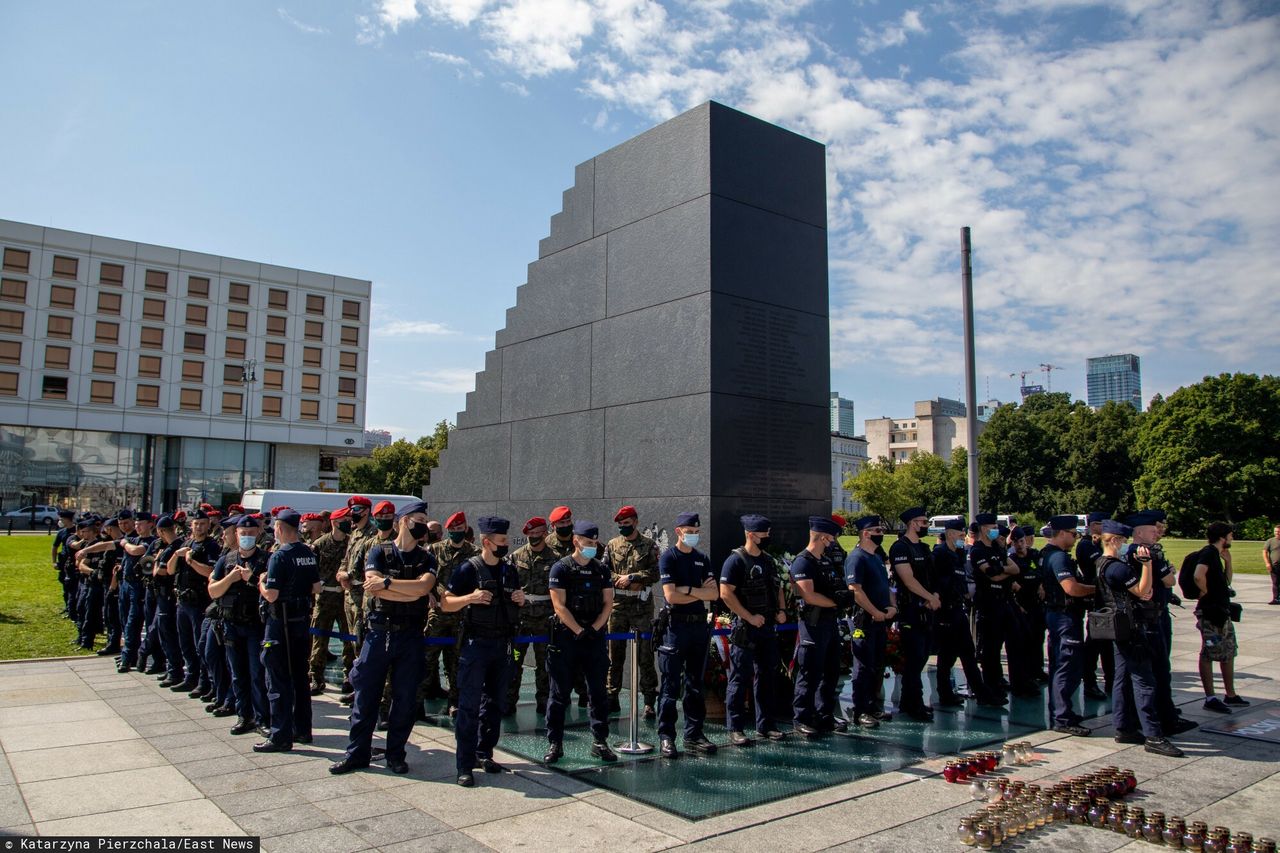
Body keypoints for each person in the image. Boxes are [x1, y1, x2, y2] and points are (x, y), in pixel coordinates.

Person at [330, 501, 437, 775]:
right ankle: (356, 755)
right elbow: (373, 588)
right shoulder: (379, 551)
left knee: (404, 699)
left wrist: (389, 584)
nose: (423, 523)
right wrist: (408, 591)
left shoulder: (426, 558)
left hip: (411, 635)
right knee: (366, 697)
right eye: (419, 518)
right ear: (403, 521)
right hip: (378, 634)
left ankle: (395, 755)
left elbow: (424, 587)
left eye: (425, 519)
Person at [443, 516, 526, 787]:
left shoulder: (509, 570)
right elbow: (446, 603)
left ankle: (485, 753)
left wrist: (520, 599)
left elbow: (516, 599)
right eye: (501, 541)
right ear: (486, 541)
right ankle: (464, 764)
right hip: (475, 645)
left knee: (494, 704)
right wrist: (471, 598)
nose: (505, 545)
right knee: (468, 706)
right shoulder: (468, 569)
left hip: (502, 645)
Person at [1098, 520, 1184, 757]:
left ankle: (1124, 727)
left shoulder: (1102, 562)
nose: (1126, 545)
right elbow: (1144, 592)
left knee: (1122, 677)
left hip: (1119, 624)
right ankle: (1153, 735)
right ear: (1115, 541)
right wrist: (1147, 565)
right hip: (1131, 627)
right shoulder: (1117, 568)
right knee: (1144, 680)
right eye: (1123, 541)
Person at [543, 520, 617, 766]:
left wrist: (593, 629)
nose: (592, 547)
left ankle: (599, 742)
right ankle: (555, 742)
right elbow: (558, 605)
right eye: (588, 542)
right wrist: (577, 630)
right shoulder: (561, 568)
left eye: (595, 543)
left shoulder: (601, 570)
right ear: (576, 541)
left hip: (593, 637)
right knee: (559, 694)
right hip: (566, 637)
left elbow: (608, 603)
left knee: (597, 693)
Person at [253, 508, 321, 753]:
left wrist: (260, 582)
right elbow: (316, 587)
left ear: (280, 528)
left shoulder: (279, 556)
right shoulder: (308, 553)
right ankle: (303, 729)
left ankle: (280, 735)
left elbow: (271, 594)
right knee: (300, 678)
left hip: (279, 624)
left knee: (278, 680)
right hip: (301, 622)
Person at [719, 514, 787, 745]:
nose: (767, 537)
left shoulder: (768, 560)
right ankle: (736, 727)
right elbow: (725, 593)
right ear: (750, 535)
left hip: (767, 627)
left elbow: (777, 587)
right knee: (739, 678)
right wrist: (748, 616)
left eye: (768, 533)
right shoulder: (736, 560)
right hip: (746, 629)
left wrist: (781, 610)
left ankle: (766, 725)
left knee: (767, 676)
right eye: (763, 534)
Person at [656, 512, 719, 758]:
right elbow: (671, 596)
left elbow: (714, 595)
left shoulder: (702, 559)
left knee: (695, 685)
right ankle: (666, 736)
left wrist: (689, 589)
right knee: (671, 686)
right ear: (678, 532)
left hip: (697, 627)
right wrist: (700, 591)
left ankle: (694, 733)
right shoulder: (668, 558)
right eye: (688, 531)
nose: (693, 535)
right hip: (676, 628)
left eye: (696, 531)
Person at [208, 515, 271, 735]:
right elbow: (213, 590)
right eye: (243, 534)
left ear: (257, 534)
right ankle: (244, 716)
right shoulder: (227, 559)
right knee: (237, 673)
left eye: (251, 533)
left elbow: (271, 591)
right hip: (231, 625)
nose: (246, 537)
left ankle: (262, 718)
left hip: (255, 625)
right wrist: (230, 580)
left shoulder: (266, 559)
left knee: (257, 674)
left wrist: (250, 578)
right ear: (236, 535)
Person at [931, 519, 1003, 707]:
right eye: (961, 535)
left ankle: (981, 693)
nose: (963, 538)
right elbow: (937, 582)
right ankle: (946, 693)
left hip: (957, 608)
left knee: (966, 652)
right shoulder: (940, 554)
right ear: (949, 534)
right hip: (945, 611)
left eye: (964, 535)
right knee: (947, 656)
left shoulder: (959, 553)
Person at [790, 515, 849, 736]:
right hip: (813, 624)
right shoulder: (803, 561)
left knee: (831, 672)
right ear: (823, 537)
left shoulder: (824, 560)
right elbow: (809, 595)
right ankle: (802, 717)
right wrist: (836, 602)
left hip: (830, 622)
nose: (833, 542)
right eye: (831, 538)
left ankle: (824, 714)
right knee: (810, 673)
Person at [1040, 515, 1095, 736]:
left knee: (1060, 666)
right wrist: (1095, 588)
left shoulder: (1046, 554)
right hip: (1064, 616)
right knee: (1066, 666)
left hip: (1057, 614)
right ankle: (1062, 717)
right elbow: (1071, 588)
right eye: (1073, 534)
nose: (1075, 538)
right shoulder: (1059, 558)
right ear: (1062, 533)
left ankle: (1062, 712)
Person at [603, 505, 659, 717]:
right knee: (614, 654)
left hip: (641, 607)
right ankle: (612, 696)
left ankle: (649, 701)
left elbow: (656, 573)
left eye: (626, 524)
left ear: (635, 522)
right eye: (620, 524)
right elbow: (604, 570)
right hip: (618, 606)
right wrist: (619, 579)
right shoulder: (612, 545)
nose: (623, 528)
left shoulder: (649, 544)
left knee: (645, 654)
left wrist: (634, 578)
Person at [845, 516, 896, 728]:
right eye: (877, 530)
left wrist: (892, 606)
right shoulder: (856, 558)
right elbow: (855, 591)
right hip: (864, 621)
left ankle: (873, 706)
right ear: (866, 533)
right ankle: (861, 710)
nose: (881, 533)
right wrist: (874, 611)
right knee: (863, 666)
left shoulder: (875, 557)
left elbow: (887, 586)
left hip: (881, 619)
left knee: (876, 665)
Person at [888, 508, 937, 722]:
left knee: (924, 654)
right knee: (914, 657)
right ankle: (913, 704)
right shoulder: (900, 547)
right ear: (912, 523)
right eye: (923, 521)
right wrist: (929, 596)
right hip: (911, 609)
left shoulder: (924, 548)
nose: (926, 525)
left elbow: (930, 576)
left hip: (927, 608)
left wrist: (933, 596)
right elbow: (908, 580)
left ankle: (910, 700)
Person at [426, 511, 478, 715]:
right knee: (428, 658)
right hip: (437, 612)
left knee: (456, 660)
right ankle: (418, 701)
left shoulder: (475, 552)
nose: (456, 533)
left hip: (462, 613)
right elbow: (426, 576)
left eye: (460, 529)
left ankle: (453, 701)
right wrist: (429, 594)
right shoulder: (434, 550)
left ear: (465, 529)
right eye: (453, 530)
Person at [1194, 521, 1248, 714]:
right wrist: (1205, 591)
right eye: (1231, 535)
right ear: (1223, 537)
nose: (1232, 538)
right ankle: (1210, 697)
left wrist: (1229, 562)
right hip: (1210, 612)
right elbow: (1198, 575)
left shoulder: (1217, 555)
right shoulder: (1208, 553)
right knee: (1209, 652)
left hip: (1221, 612)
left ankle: (1230, 694)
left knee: (1228, 651)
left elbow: (1227, 582)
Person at [506, 516, 557, 716]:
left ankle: (544, 704)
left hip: (545, 619)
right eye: (531, 534)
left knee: (544, 665)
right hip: (521, 619)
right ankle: (509, 701)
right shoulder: (515, 557)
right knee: (515, 661)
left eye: (538, 534)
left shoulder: (554, 559)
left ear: (545, 534)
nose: (534, 537)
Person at [167, 509, 221, 695]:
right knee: (186, 643)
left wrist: (190, 561)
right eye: (196, 523)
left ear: (208, 525)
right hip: (183, 601)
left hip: (199, 602)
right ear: (191, 525)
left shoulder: (211, 546)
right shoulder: (186, 543)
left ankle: (204, 681)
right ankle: (191, 676)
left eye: (203, 523)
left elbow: (210, 572)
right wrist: (176, 555)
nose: (199, 527)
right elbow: (170, 570)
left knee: (201, 645)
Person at [969, 512, 1020, 699]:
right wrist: (1003, 571)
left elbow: (1015, 569)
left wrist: (1002, 570)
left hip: (1004, 600)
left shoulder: (998, 548)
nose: (995, 531)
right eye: (991, 527)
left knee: (1015, 641)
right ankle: (991, 686)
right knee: (991, 648)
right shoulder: (977, 550)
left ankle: (1015, 682)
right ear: (983, 529)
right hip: (988, 603)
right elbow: (992, 574)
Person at [335, 495, 375, 703]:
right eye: (352, 509)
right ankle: (356, 683)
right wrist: (342, 573)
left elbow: (369, 566)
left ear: (367, 511)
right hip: (349, 595)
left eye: (357, 509)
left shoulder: (373, 534)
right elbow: (346, 559)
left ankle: (363, 689)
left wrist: (350, 577)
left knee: (361, 641)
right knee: (353, 643)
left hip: (362, 596)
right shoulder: (355, 533)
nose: (353, 513)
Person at [309, 507, 352, 695]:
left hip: (345, 598)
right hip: (324, 598)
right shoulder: (319, 544)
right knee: (319, 640)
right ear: (335, 522)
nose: (349, 522)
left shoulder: (352, 543)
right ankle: (316, 678)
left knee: (349, 640)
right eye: (346, 519)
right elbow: (312, 572)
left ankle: (349, 677)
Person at [1077, 512, 1114, 701]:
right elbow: (1100, 565)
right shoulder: (1086, 545)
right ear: (1092, 525)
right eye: (1101, 524)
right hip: (1096, 599)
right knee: (1094, 644)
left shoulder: (1096, 544)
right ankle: (1090, 682)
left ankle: (1110, 681)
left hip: (1105, 599)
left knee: (1107, 645)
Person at [116, 513, 156, 673]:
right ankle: (131, 655)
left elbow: (135, 551)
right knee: (125, 620)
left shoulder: (150, 542)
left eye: (141, 524)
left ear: (150, 524)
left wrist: (124, 543)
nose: (137, 526)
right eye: (137, 524)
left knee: (133, 623)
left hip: (138, 587)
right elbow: (111, 545)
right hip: (125, 584)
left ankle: (127, 659)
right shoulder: (133, 539)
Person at [1265, 524, 1280, 605]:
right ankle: (1275, 599)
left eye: (1278, 531)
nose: (1277, 533)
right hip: (1275, 566)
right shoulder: (1270, 541)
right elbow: (1264, 552)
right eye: (1275, 531)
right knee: (1275, 583)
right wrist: (1267, 563)